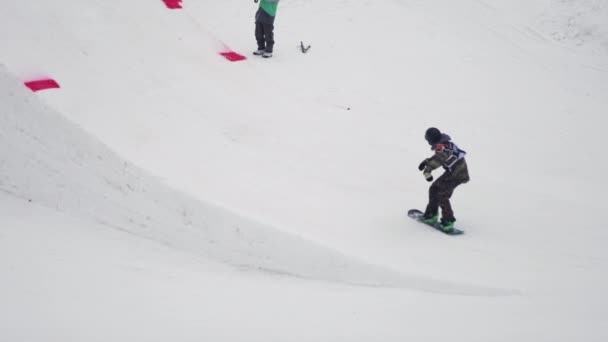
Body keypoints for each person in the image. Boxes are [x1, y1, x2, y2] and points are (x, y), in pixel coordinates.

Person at [418, 127, 470, 232]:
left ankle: (448, 221)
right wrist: (427, 161)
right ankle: (432, 214)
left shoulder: (442, 147)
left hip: (457, 174)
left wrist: (428, 170)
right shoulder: (444, 144)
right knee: (434, 188)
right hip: (453, 172)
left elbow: (439, 159)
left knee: (442, 194)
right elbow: (441, 156)